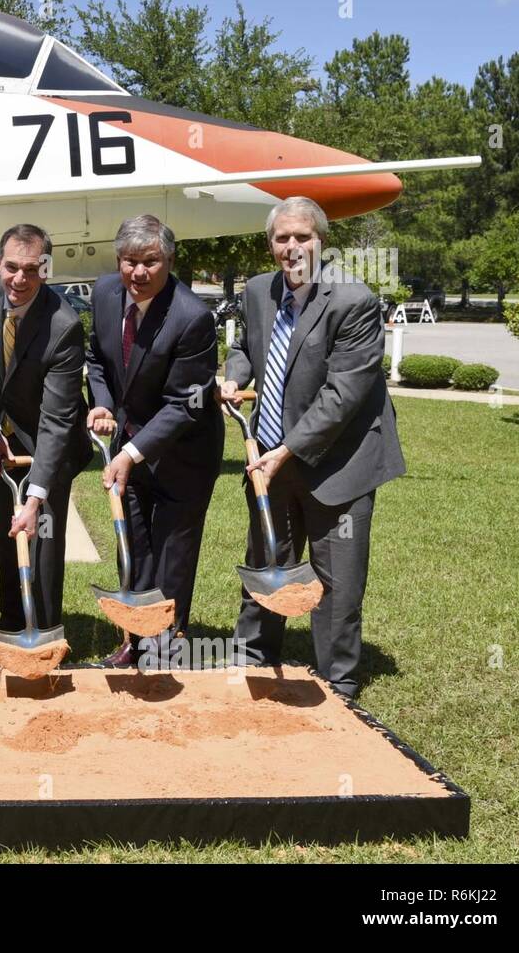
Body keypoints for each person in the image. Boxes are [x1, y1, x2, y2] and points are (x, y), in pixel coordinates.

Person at [220, 197, 405, 698]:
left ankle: (339, 682)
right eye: (282, 238)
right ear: (270, 244)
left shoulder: (353, 299)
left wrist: (288, 449)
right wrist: (235, 378)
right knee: (266, 560)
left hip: (338, 462)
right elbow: (246, 346)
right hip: (273, 458)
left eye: (302, 237)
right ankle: (254, 659)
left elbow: (345, 393)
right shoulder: (259, 291)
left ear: (321, 240)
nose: (292, 247)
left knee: (336, 579)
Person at [86, 215, 223, 668]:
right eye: (129, 261)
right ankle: (136, 640)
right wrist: (104, 404)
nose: (138, 273)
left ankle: (165, 650)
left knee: (172, 555)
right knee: (136, 546)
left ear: (169, 260)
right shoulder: (106, 293)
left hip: (182, 454)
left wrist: (130, 451)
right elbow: (98, 359)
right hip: (130, 446)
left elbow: (185, 404)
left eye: (151, 262)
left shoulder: (192, 318)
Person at [0, 224, 90, 657]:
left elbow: (57, 420)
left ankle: (46, 635)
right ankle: (10, 628)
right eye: (11, 267)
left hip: (50, 443)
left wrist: (36, 496)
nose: (19, 279)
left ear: (46, 269)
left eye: (32, 270)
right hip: (5, 439)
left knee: (43, 536)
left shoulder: (64, 326)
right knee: (6, 530)